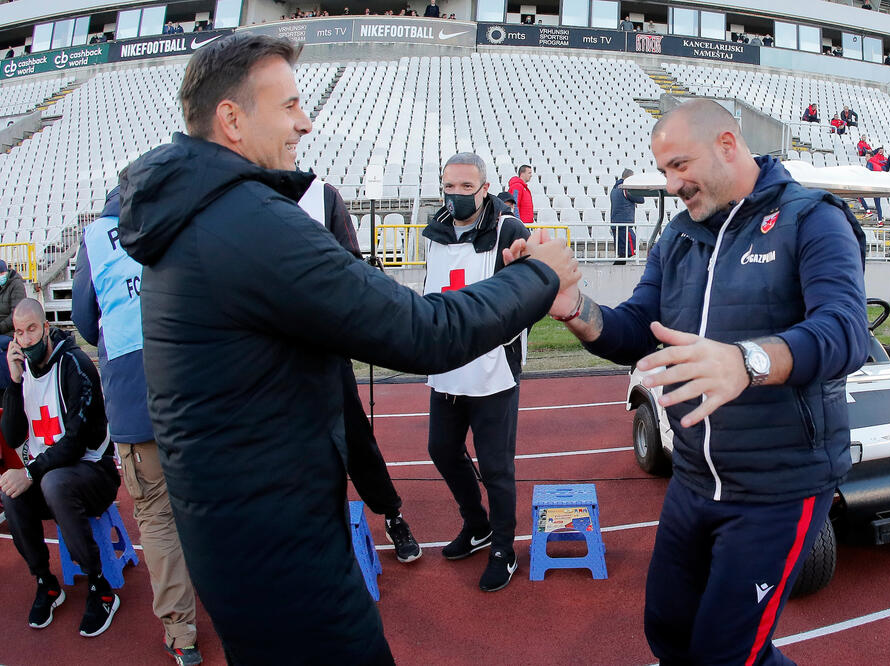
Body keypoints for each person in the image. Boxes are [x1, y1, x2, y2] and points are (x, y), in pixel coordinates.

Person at [116, 34, 578, 664]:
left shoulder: (198, 214)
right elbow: (424, 331)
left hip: (239, 533)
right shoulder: (245, 221)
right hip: (278, 546)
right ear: (232, 118)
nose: (305, 123)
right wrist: (539, 276)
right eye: (289, 107)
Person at [522, 99, 868, 664]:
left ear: (727, 145)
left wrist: (747, 361)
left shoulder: (813, 217)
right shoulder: (679, 236)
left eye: (680, 165)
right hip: (693, 479)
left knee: (726, 653)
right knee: (668, 632)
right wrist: (575, 308)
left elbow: (845, 330)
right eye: (663, 171)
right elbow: (639, 327)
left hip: (776, 487)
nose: (671, 184)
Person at [71, 188, 203, 665]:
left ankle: (181, 632)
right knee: (210, 504)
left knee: (157, 518)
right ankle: (241, 606)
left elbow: (86, 322)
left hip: (132, 401)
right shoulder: (179, 218)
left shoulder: (94, 238)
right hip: (192, 390)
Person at [296, 176, 423, 563]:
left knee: (354, 437)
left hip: (323, 348)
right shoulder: (239, 196)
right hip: (264, 356)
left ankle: (391, 514)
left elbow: (348, 265)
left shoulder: (322, 195)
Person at [422, 153, 533, 593]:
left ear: (485, 188)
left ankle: (504, 548)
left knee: (496, 466)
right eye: (450, 186)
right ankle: (477, 524)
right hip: (447, 366)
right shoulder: (434, 231)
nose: (457, 194)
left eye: (466, 187)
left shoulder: (508, 229)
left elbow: (529, 295)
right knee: (441, 450)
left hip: (492, 370)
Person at [0, 299, 121, 638]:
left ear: (44, 327)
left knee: (50, 482)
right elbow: (12, 436)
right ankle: (46, 581)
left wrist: (29, 473)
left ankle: (101, 587)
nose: (26, 339)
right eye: (19, 333)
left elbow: (75, 443)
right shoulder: (22, 371)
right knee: (10, 492)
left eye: (32, 329)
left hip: (94, 471)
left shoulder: (75, 365)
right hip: (51, 473)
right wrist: (12, 383)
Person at [610, 168, 644, 264]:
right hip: (624, 224)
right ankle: (616, 269)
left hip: (615, 224)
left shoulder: (614, 189)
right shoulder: (626, 189)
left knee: (622, 253)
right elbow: (641, 199)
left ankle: (616, 271)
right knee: (631, 248)